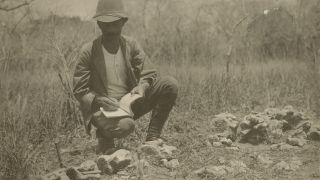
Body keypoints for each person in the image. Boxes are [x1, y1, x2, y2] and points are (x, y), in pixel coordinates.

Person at [73, 0, 178, 154]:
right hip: (103, 108)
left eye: (115, 24)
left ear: (123, 22)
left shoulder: (131, 45)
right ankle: (104, 136)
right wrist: (99, 100)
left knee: (169, 84)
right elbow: (79, 90)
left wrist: (142, 86)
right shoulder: (88, 51)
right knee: (126, 126)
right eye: (105, 24)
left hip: (129, 102)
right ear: (99, 24)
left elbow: (148, 71)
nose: (110, 29)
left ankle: (152, 138)